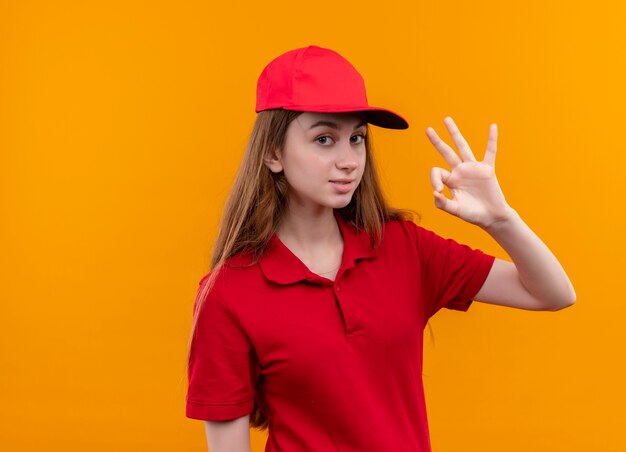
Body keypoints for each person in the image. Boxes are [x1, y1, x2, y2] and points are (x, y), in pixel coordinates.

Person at [185, 45, 575, 452]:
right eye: (324, 139)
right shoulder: (228, 294)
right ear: (272, 153)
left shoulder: (403, 247)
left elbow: (553, 294)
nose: (350, 159)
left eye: (357, 138)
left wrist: (501, 220)